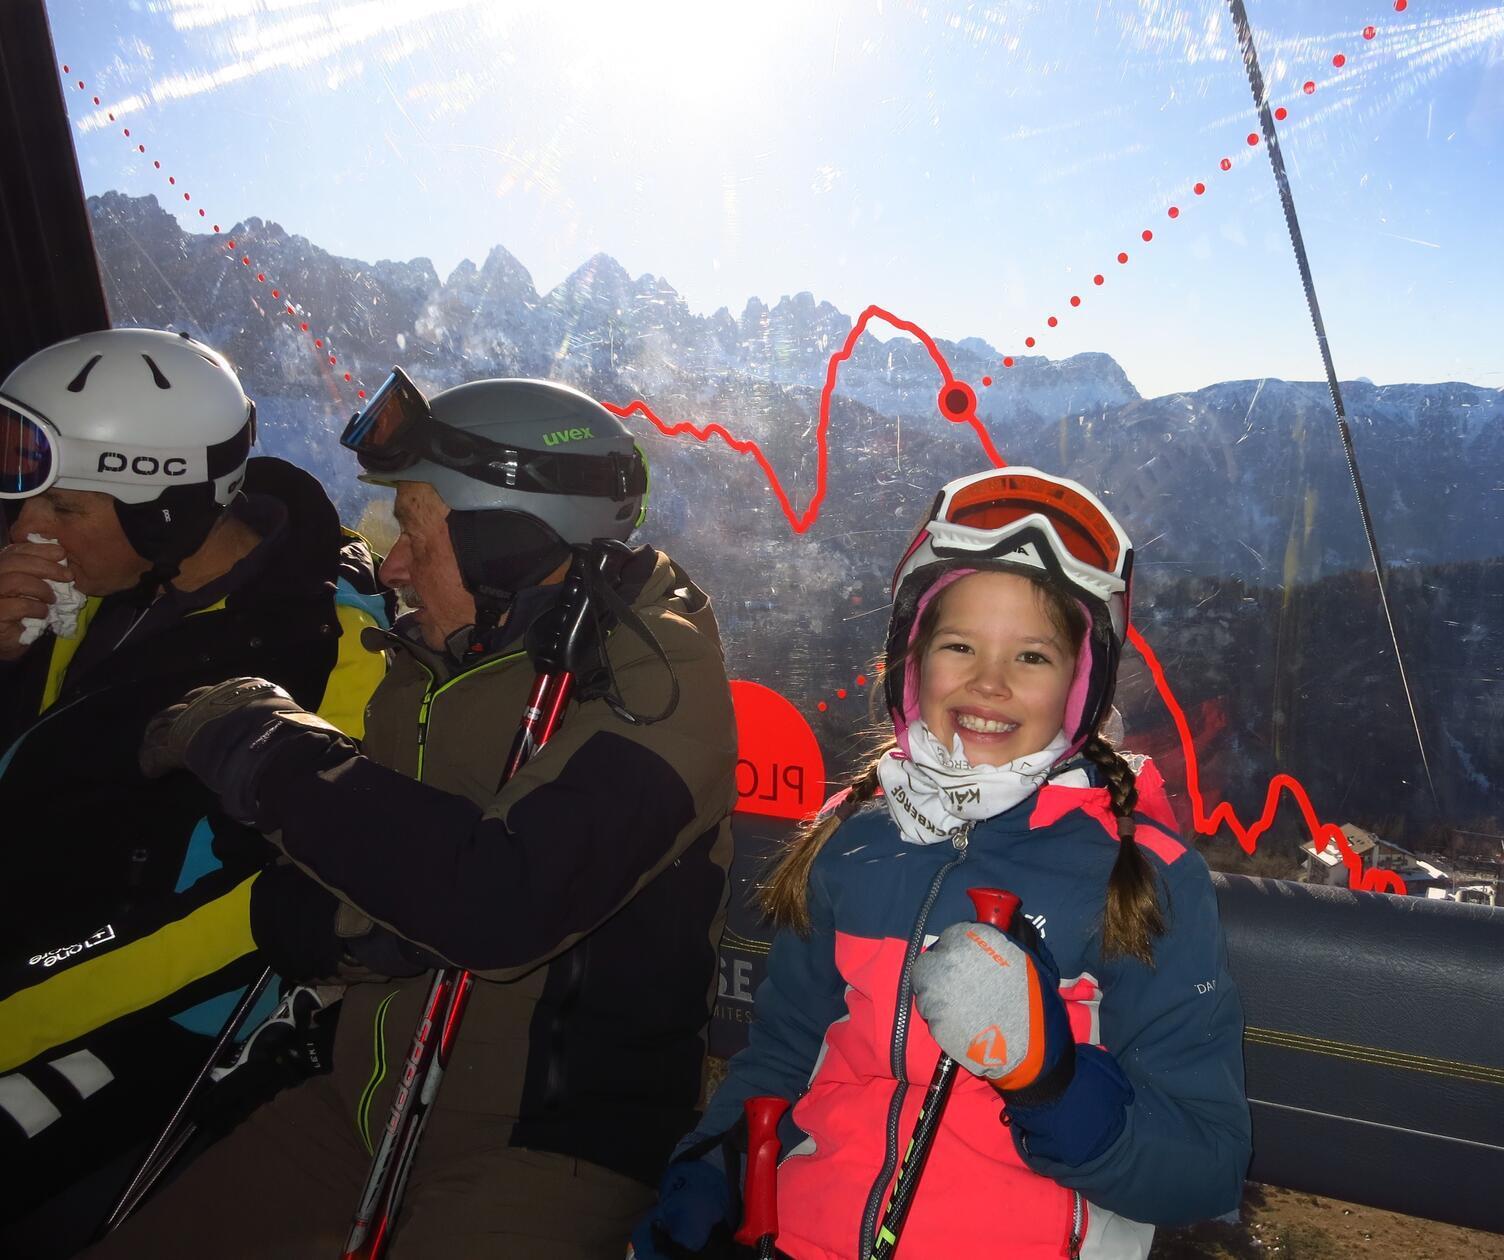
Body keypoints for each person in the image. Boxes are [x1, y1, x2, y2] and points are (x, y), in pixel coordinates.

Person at [89, 372, 738, 1258]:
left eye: (412, 530)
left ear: (503, 541)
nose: (390, 565)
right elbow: (303, 901)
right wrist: (369, 922)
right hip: (362, 1103)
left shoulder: (658, 679)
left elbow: (500, 902)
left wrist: (263, 749)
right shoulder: (427, 656)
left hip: (548, 1146)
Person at [634, 468, 1251, 1260]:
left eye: (1032, 656)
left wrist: (1050, 1081)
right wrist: (714, 1169)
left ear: (1079, 686)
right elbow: (785, 1055)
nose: (988, 682)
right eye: (959, 645)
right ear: (911, 658)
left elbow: (1207, 1165)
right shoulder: (855, 838)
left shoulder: (1139, 877)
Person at [0, 328, 388, 1250]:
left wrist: (17, 1012)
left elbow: (258, 908)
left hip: (157, 1021)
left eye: (62, 503)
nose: (24, 530)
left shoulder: (331, 652)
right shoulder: (91, 588)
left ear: (164, 512)